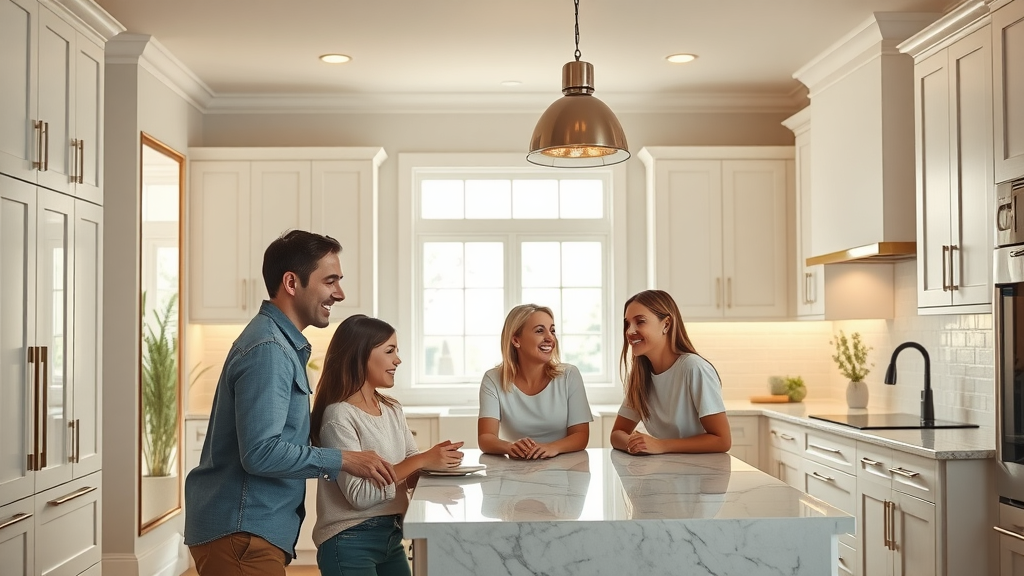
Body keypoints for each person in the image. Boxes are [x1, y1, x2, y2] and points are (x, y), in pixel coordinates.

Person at [184, 230, 397, 576]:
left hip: (249, 531)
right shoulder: (269, 351)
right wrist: (344, 459)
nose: (339, 293)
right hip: (242, 531)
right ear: (291, 282)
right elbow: (261, 453)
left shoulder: (280, 346)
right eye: (330, 281)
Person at [310, 314, 464, 576]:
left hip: (391, 536)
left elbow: (412, 463)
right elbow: (360, 496)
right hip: (349, 540)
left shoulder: (391, 408)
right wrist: (423, 460)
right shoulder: (339, 416)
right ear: (360, 355)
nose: (398, 360)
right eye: (389, 350)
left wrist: (440, 473)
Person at [610, 289, 732, 455]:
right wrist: (637, 443)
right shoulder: (641, 375)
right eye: (627, 323)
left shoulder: (693, 368)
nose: (630, 331)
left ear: (666, 324)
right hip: (664, 469)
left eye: (640, 321)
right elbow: (617, 434)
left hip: (700, 474)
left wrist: (661, 446)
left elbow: (722, 440)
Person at [477, 304, 593, 459]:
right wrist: (509, 446)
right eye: (540, 331)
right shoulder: (493, 380)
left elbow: (581, 435)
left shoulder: (569, 375)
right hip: (517, 469)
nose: (550, 338)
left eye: (552, 330)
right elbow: (486, 438)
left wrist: (551, 448)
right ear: (516, 340)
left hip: (564, 470)